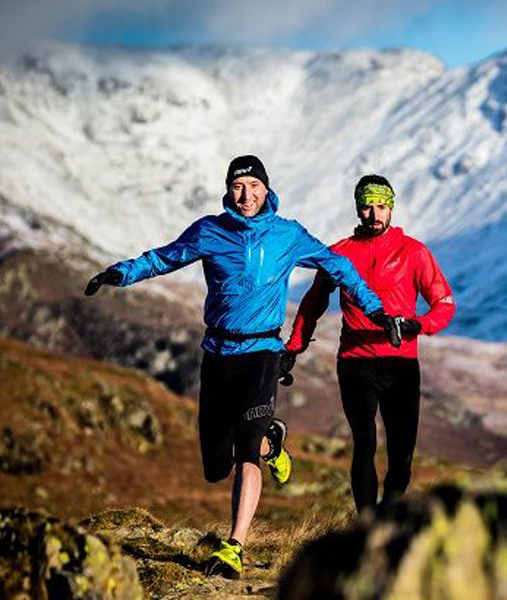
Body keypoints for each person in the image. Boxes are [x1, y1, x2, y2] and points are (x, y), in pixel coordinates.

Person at [83, 156, 397, 580]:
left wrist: (376, 312)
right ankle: (273, 441)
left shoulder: (287, 234)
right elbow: (164, 258)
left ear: (267, 189)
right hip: (218, 354)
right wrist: (120, 273)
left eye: (253, 186)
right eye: (238, 186)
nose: (246, 195)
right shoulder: (210, 231)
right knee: (216, 465)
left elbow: (339, 267)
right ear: (228, 191)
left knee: (246, 447)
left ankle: (235, 545)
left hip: (263, 353)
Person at [285, 174, 455, 513]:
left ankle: (389, 517)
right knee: (364, 441)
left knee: (401, 452)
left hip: (401, 362)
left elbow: (444, 303)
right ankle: (366, 523)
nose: (374, 214)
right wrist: (294, 346)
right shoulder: (341, 254)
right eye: (367, 207)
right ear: (358, 210)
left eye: (381, 206)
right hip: (355, 361)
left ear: (391, 208)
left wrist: (418, 326)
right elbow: (313, 302)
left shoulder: (414, 252)